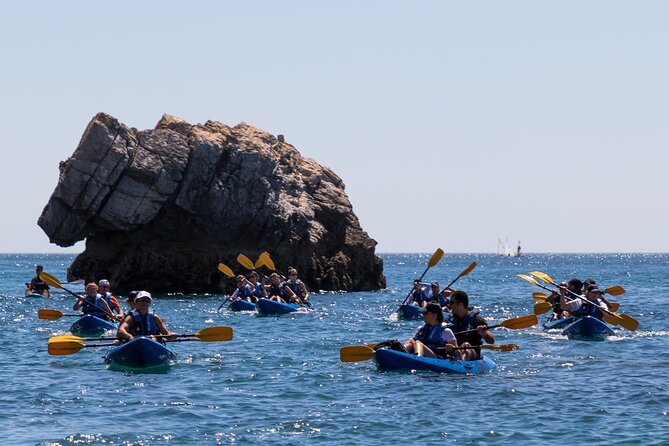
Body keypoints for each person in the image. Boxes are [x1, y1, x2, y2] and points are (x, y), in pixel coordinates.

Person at [448, 290, 495, 360]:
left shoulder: (477, 320)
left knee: (466, 345)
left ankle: (462, 362)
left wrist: (484, 334)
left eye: (452, 303)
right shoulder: (449, 320)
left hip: (472, 354)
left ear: (460, 304)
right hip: (455, 351)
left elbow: (491, 341)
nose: (449, 305)